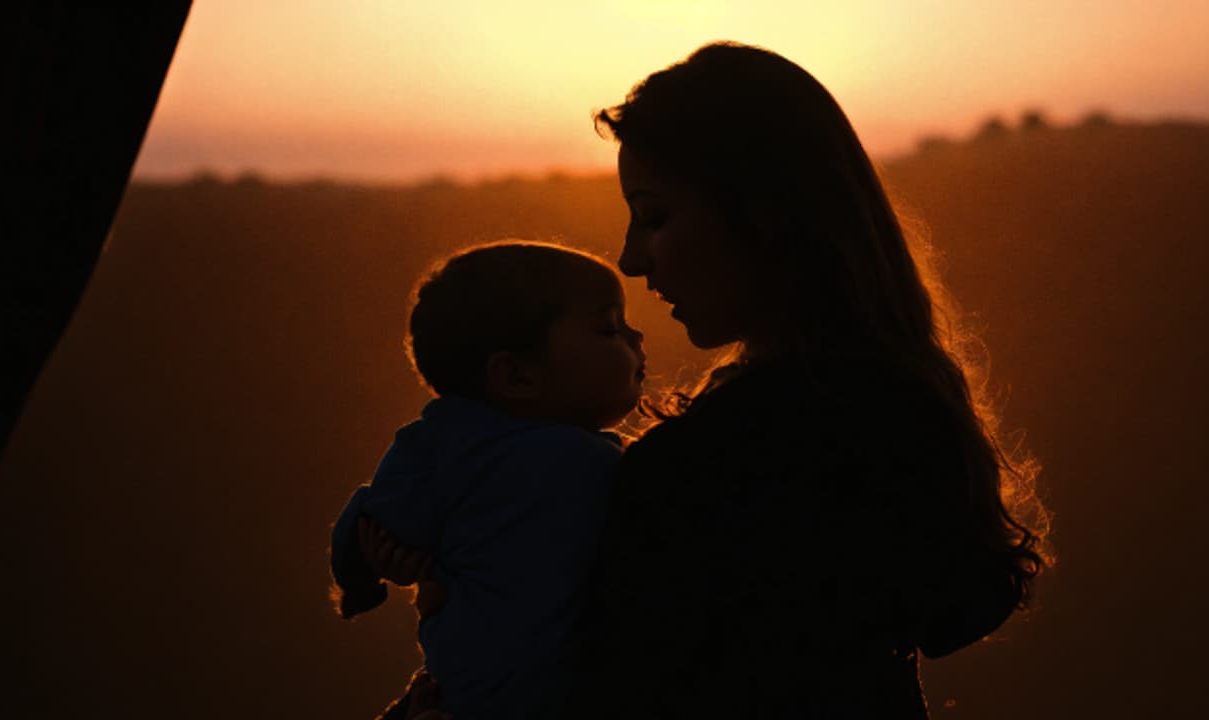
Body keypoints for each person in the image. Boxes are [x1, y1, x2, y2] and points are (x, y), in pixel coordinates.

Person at [386, 40, 1051, 719]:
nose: (631, 259)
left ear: (763, 217)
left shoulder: (697, 468)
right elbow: (958, 611)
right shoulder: (907, 410)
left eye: (655, 217)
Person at [329, 241, 647, 720]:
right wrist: (370, 570)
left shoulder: (608, 457)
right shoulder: (459, 448)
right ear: (517, 376)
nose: (637, 337)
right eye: (608, 328)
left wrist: (366, 573)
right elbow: (372, 521)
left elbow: (371, 516)